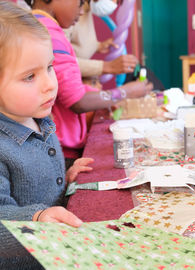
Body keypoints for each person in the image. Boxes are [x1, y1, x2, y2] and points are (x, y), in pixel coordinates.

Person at [0, 1, 94, 269]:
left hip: (57, 253)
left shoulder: (41, 118)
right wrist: (37, 219)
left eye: (50, 67)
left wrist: (66, 171)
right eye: (30, 76)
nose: (49, 84)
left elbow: (38, 169)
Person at [24, 0, 153, 167]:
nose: (82, 10)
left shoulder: (37, 25)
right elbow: (77, 100)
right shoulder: (48, 31)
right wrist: (125, 92)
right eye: (81, 2)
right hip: (62, 151)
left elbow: (66, 86)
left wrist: (95, 94)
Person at [64, 0, 139, 80]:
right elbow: (61, 60)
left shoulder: (87, 7)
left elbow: (77, 39)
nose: (115, 4)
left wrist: (98, 46)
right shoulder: (69, 9)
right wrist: (107, 67)